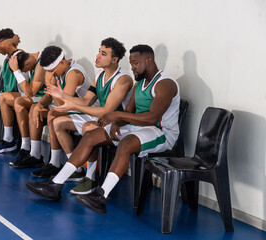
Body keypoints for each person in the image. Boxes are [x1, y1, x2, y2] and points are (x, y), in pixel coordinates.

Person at [26, 44, 180, 215]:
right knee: (92, 135)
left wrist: (116, 116)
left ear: (149, 60)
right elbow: (128, 112)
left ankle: (101, 196)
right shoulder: (140, 84)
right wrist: (116, 123)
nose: (133, 67)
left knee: (126, 144)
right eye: (131, 63)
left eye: (135, 63)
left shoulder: (165, 83)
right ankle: (56, 185)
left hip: (161, 132)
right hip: (138, 128)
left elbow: (152, 118)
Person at [33, 37, 133, 194]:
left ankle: (91, 178)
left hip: (120, 123)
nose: (98, 56)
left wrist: (71, 105)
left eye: (103, 54)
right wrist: (63, 96)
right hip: (103, 119)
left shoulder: (123, 79)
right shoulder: (99, 75)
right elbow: (86, 101)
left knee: (88, 128)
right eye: (99, 51)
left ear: (114, 59)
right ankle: (76, 169)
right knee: (58, 122)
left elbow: (107, 110)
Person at [11, 45, 91, 170]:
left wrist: (49, 83)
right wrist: (39, 105)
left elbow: (63, 105)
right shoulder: (60, 70)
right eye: (50, 71)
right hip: (74, 108)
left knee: (52, 114)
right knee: (34, 109)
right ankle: (35, 155)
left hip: (87, 111)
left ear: (62, 62)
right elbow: (49, 97)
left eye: (53, 70)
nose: (52, 73)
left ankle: (58, 163)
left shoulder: (73, 73)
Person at [0, 49, 46, 154]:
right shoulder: (29, 57)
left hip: (45, 99)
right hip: (36, 97)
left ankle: (25, 146)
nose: (24, 72)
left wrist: (16, 71)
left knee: (19, 101)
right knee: (4, 97)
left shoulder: (41, 64)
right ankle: (8, 139)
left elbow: (30, 92)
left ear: (27, 63)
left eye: (24, 70)